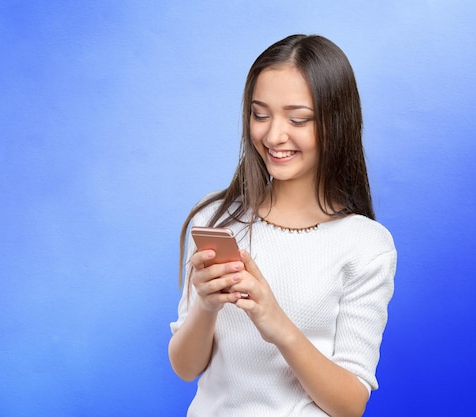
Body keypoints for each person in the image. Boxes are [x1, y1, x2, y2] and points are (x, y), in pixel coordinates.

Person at [168, 34, 397, 417]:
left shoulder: (366, 244)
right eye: (260, 114)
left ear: (336, 123)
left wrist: (277, 325)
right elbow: (185, 368)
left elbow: (350, 404)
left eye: (298, 119)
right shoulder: (215, 221)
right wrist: (205, 307)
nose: (274, 136)